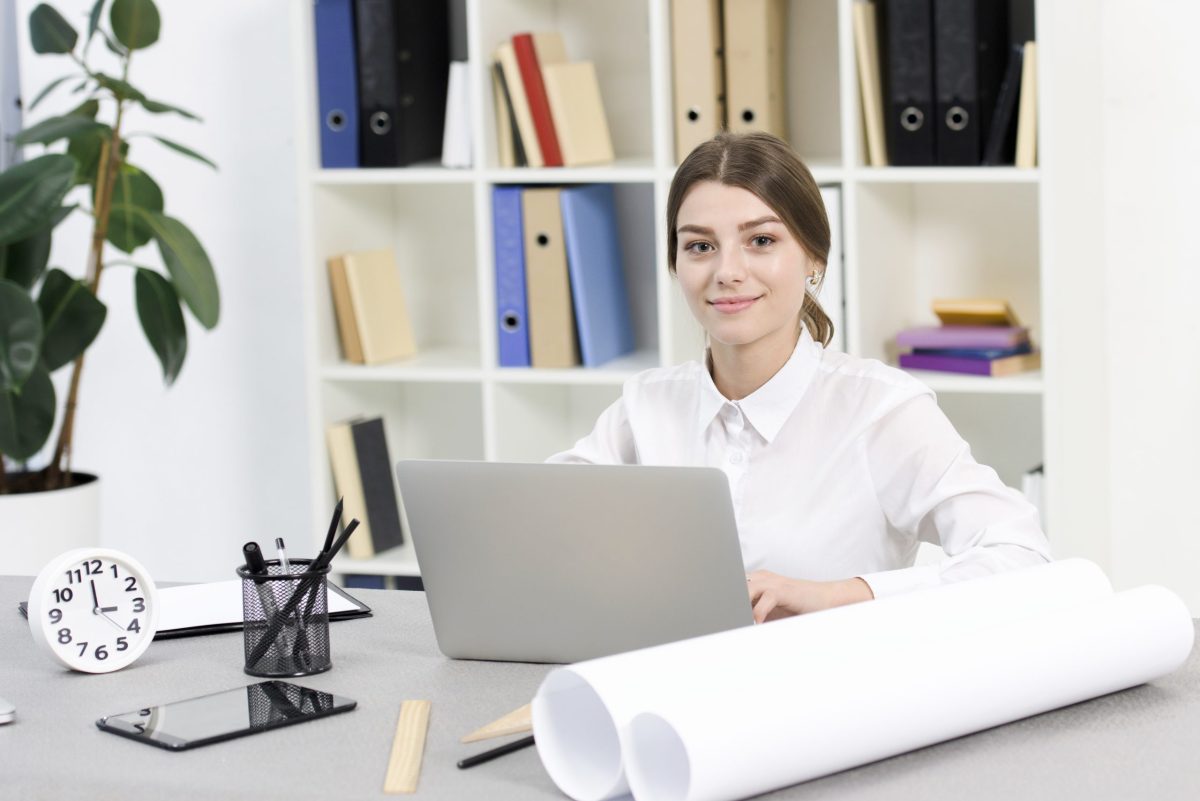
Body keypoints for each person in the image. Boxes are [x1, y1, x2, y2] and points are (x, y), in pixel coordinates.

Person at [548, 131, 1051, 623]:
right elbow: (537, 528)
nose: (727, 271)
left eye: (761, 240)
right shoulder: (645, 408)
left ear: (814, 257)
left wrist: (840, 595)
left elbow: (1024, 558)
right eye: (700, 247)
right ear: (675, 264)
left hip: (834, 692)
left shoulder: (880, 410)